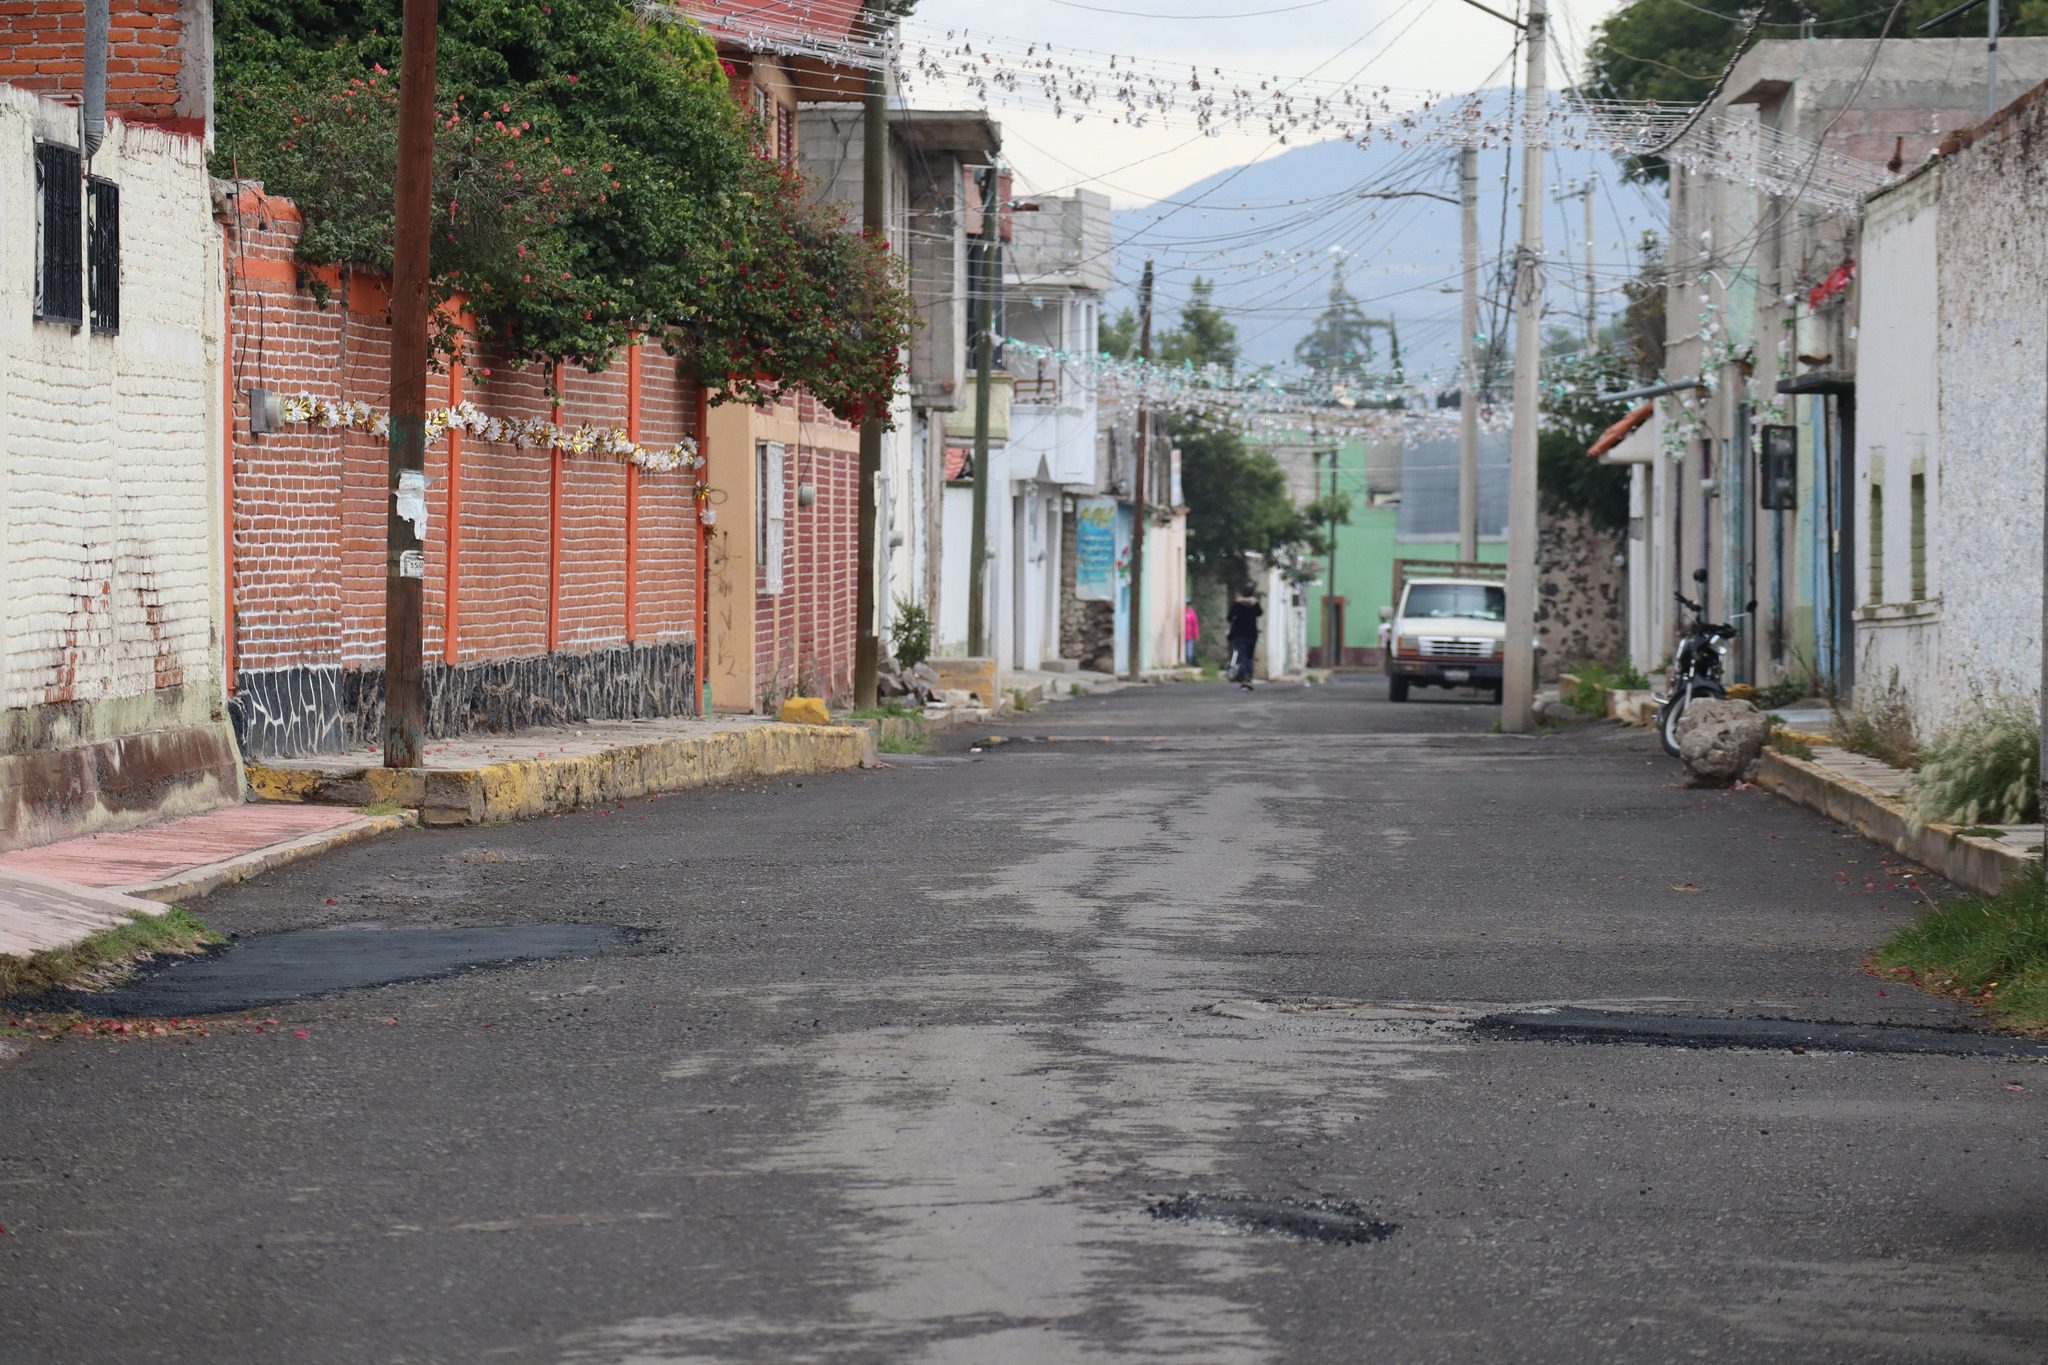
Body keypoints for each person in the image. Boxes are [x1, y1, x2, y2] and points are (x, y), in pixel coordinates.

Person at [1225, 588, 1263, 689]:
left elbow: (1229, 617)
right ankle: (1249, 678)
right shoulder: (1254, 604)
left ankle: (1244, 679)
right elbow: (1260, 613)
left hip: (1238, 635)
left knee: (1241, 657)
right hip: (1251, 635)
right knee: (1249, 657)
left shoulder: (1237, 604)